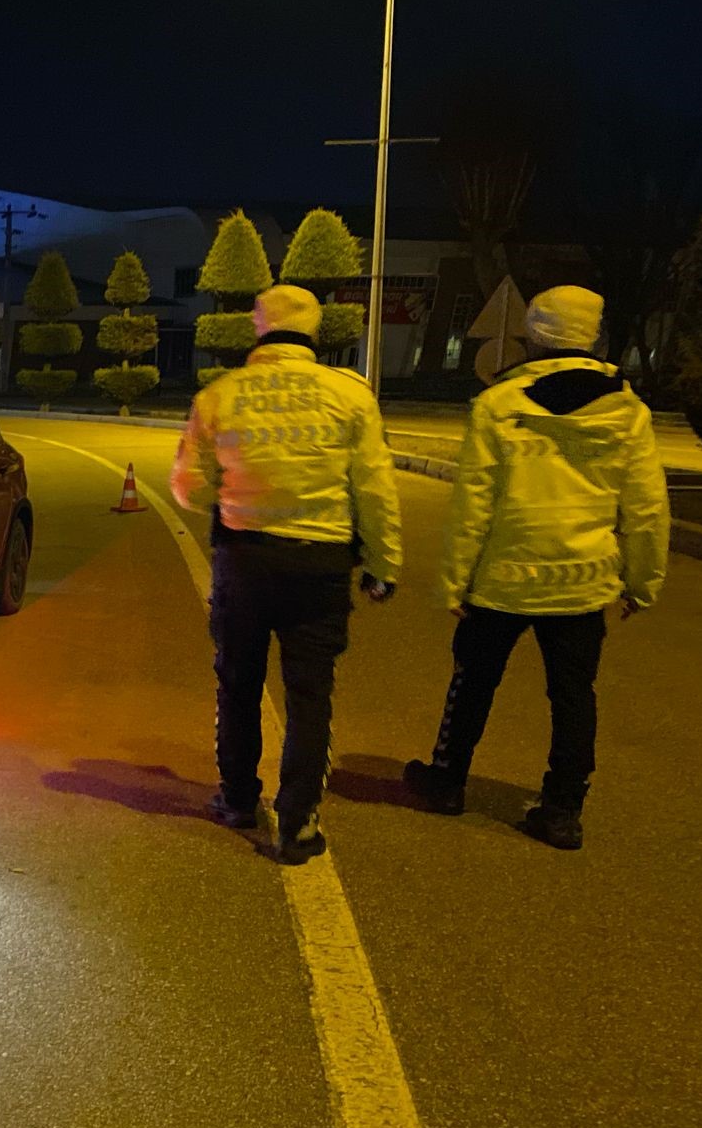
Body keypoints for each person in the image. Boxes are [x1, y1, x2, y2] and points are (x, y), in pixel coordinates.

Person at [402, 285, 668, 850]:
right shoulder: (626, 408)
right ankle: (563, 808)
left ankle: (447, 782)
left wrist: (454, 579)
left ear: (535, 331)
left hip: (503, 576)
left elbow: (474, 502)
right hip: (582, 580)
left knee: (473, 682)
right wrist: (643, 583)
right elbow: (645, 507)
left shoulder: (501, 404)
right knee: (574, 694)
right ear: (591, 333)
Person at [170, 284, 403, 864]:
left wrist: (235, 496)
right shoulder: (350, 395)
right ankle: (297, 821)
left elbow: (189, 487)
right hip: (321, 563)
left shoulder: (221, 395)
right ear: (316, 331)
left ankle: (239, 799)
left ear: (258, 328)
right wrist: (383, 563)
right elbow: (373, 486)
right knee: (310, 693)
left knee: (239, 683)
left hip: (244, 561)